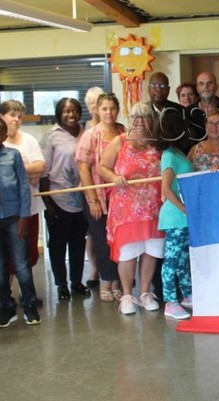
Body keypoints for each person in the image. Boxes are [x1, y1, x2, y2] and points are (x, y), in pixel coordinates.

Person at [97, 103, 164, 315]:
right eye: (135, 118)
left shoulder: (157, 144)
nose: (139, 122)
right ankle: (127, 295)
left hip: (154, 208)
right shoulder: (120, 141)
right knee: (128, 252)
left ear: (151, 120)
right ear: (129, 119)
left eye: (144, 118)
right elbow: (101, 167)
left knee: (151, 250)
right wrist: (115, 178)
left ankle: (144, 293)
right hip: (126, 209)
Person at [0, 116, 41, 328]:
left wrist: (24, 216)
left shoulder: (13, 156)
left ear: (5, 135)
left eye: (0, 132)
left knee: (22, 264)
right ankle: (6, 307)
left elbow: (24, 187)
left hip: (15, 218)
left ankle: (30, 304)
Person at [76, 93, 123, 302]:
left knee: (119, 242)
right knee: (103, 244)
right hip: (98, 199)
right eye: (104, 108)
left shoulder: (123, 132)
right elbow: (83, 167)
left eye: (112, 108)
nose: (109, 113)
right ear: (97, 110)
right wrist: (92, 199)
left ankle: (117, 282)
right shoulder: (90, 135)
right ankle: (106, 282)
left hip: (121, 199)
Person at [40, 98, 89, 302]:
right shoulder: (51, 137)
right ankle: (61, 284)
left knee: (78, 243)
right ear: (59, 113)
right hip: (58, 199)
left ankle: (76, 281)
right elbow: (44, 172)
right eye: (66, 111)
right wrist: (47, 203)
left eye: (75, 111)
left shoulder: (86, 133)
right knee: (58, 246)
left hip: (83, 198)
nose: (71, 115)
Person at [0, 100, 47, 295]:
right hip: (4, 207)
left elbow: (40, 167)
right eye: (11, 115)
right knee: (6, 252)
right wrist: (27, 171)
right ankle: (6, 293)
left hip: (29, 205)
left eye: (19, 116)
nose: (16, 120)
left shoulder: (28, 140)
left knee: (26, 251)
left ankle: (26, 292)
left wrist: (13, 169)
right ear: (1, 116)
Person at [156, 109, 195, 320]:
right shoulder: (169, 155)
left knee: (181, 259)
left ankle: (187, 295)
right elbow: (166, 188)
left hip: (182, 217)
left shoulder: (177, 152)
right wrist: (184, 208)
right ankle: (170, 301)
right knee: (172, 260)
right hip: (175, 217)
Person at [82, 86, 105, 287]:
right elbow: (83, 166)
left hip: (112, 192)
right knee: (93, 234)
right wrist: (92, 198)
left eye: (99, 102)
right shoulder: (86, 130)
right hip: (92, 191)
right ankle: (95, 269)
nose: (96, 107)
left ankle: (112, 273)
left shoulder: (117, 128)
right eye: (92, 104)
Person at [189, 71, 219, 141]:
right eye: (201, 84)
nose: (206, 86)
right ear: (197, 89)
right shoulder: (188, 112)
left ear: (216, 87)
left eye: (209, 83)